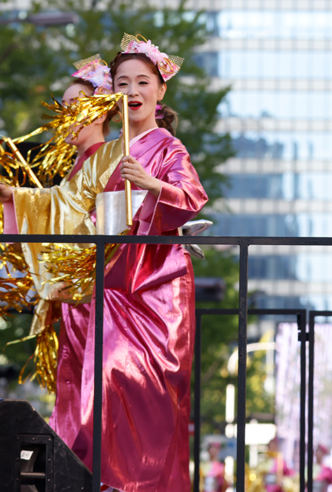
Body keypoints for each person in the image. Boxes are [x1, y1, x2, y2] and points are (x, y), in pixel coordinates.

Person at [1, 34, 208, 492]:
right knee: (99, 392)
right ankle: (103, 482)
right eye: (123, 83)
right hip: (109, 290)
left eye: (142, 81)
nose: (133, 91)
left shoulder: (169, 148)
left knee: (134, 385)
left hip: (155, 290)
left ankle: (144, 485)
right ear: (113, 93)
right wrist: (17, 197)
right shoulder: (110, 153)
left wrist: (153, 185)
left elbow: (191, 198)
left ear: (160, 90)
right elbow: (70, 201)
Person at [49, 56, 115, 465]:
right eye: (63, 105)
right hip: (74, 293)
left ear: (98, 109)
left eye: (75, 104)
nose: (66, 114)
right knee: (72, 383)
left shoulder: (108, 157)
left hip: (94, 291)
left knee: (92, 384)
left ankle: (92, 470)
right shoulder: (80, 163)